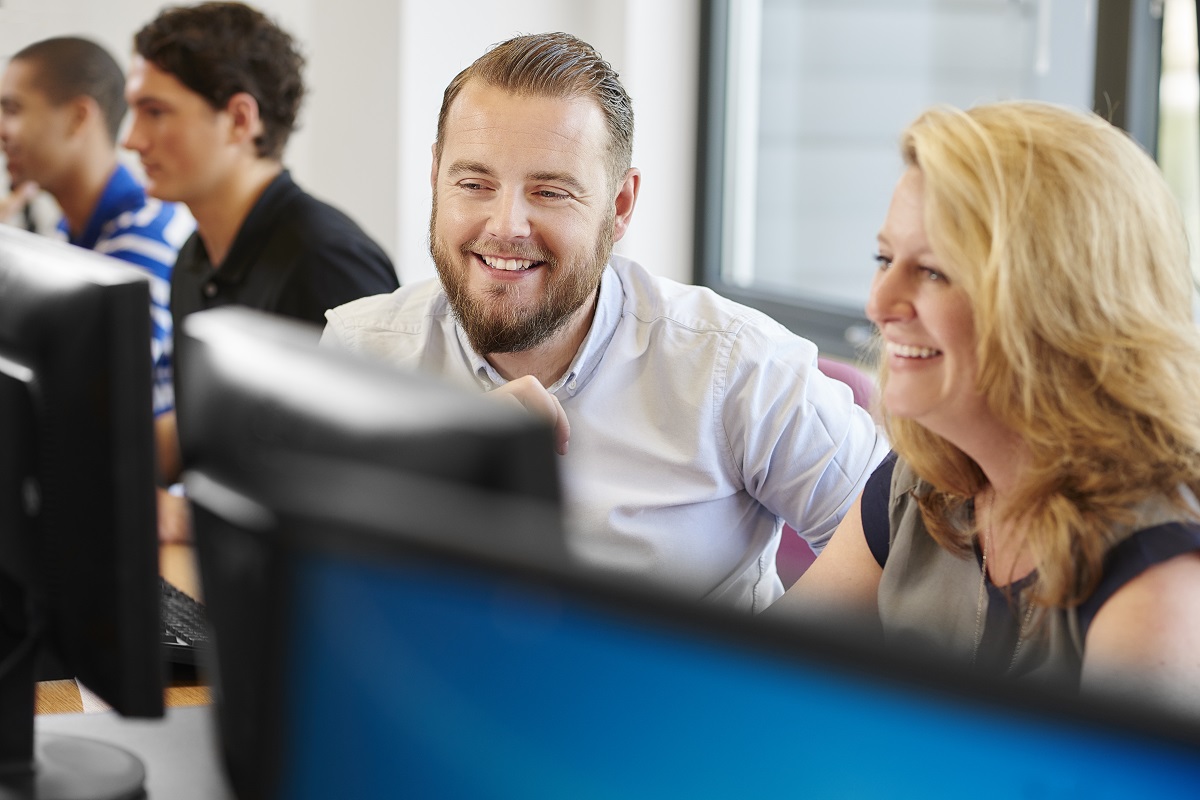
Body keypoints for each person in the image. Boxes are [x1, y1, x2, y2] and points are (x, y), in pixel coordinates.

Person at [321, 32, 888, 612]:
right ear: (436, 178)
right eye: (474, 184)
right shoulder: (360, 351)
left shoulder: (736, 366)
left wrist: (755, 681)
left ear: (619, 207)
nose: (506, 225)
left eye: (550, 192)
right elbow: (295, 588)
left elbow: (912, 548)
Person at [769, 100, 1200, 708]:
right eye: (885, 260)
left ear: (1060, 304)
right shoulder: (922, 483)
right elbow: (755, 683)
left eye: (936, 272)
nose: (879, 302)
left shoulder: (1158, 585)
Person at [124, 1, 400, 540]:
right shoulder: (194, 260)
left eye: (155, 112)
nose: (132, 139)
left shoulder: (326, 263)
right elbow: (199, 429)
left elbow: (364, 482)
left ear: (241, 120)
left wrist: (194, 520)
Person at [0, 36, 192, 421]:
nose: (3, 130)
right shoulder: (68, 232)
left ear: (78, 117)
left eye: (13, 109)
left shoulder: (143, 238)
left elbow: (87, 406)